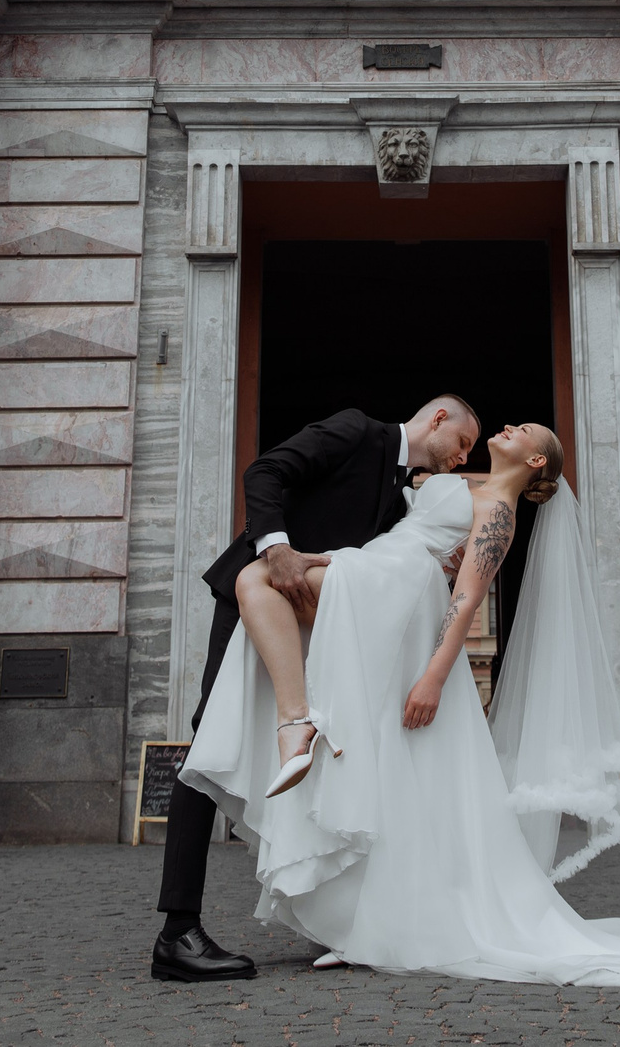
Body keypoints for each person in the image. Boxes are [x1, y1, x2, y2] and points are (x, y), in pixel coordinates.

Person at [180, 423, 620, 989]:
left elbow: (467, 597)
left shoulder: (498, 510)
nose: (506, 428)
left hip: (395, 595)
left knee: (254, 581)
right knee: (266, 597)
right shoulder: (466, 485)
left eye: (520, 431)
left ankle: (298, 728)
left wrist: (436, 677)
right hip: (377, 572)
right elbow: (401, 493)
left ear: (534, 461)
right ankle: (303, 741)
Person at [150, 394, 480, 983]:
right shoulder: (356, 430)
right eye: (462, 443)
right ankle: (177, 932)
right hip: (256, 598)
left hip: (312, 621)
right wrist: (274, 549)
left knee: (317, 746)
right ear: (437, 420)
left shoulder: (412, 484)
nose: (462, 458)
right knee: (209, 745)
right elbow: (266, 472)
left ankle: (336, 913)